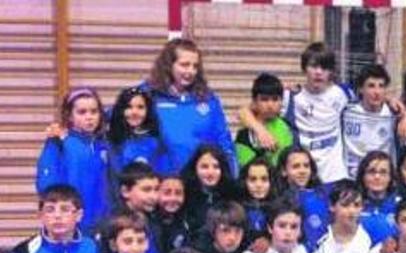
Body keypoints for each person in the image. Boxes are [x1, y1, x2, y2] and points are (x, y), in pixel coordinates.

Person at [240, 42, 354, 184]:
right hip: (302, 177)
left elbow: (372, 94)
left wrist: (390, 99)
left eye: (324, 67)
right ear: (304, 68)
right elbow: (244, 112)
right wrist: (260, 131)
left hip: (335, 176)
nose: (318, 72)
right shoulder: (290, 96)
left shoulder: (343, 93)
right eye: (313, 66)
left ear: (331, 71)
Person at [143, 39, 236, 175]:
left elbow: (224, 142)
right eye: (184, 65)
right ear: (168, 65)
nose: (191, 71)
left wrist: (232, 176)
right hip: (164, 187)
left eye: (195, 66)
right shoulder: (148, 96)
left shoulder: (209, 100)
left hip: (199, 185)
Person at [35, 87, 110, 234]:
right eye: (82, 112)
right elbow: (47, 185)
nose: (89, 117)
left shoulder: (104, 146)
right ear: (69, 115)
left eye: (94, 112)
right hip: (71, 226)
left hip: (103, 225)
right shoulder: (60, 143)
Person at [342, 64, 402, 177]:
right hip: (351, 179)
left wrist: (405, 115)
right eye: (371, 86)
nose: (377, 92)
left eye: (381, 86)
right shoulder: (346, 110)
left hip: (381, 178)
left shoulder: (393, 113)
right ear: (360, 89)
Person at [107, 86, 170, 179]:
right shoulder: (110, 141)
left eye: (140, 107)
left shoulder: (157, 142)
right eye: (128, 107)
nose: (134, 112)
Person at [276, 145, 330, 252]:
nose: (302, 171)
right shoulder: (278, 201)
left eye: (306, 166)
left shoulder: (323, 195)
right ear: (283, 171)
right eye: (296, 166)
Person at [235, 73, 294, 168]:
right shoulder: (245, 134)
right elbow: (246, 168)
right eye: (264, 99)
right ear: (254, 102)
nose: (270, 105)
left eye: (275, 99)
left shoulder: (286, 126)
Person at [181, 144, 238, 230]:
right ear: (195, 169)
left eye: (216, 167)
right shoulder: (184, 196)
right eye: (204, 167)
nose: (210, 173)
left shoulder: (232, 196)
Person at [355, 151, 399, 244]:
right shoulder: (352, 205)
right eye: (371, 172)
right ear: (362, 176)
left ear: (390, 177)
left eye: (383, 172)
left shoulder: (401, 205)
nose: (377, 177)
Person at [237, 158, 276, 249]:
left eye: (264, 179)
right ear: (244, 182)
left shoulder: (280, 209)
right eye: (253, 179)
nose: (258, 185)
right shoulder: (236, 209)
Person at [154, 175, 190, 253]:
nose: (173, 198)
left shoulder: (185, 220)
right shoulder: (148, 223)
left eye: (178, 193)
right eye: (167, 193)